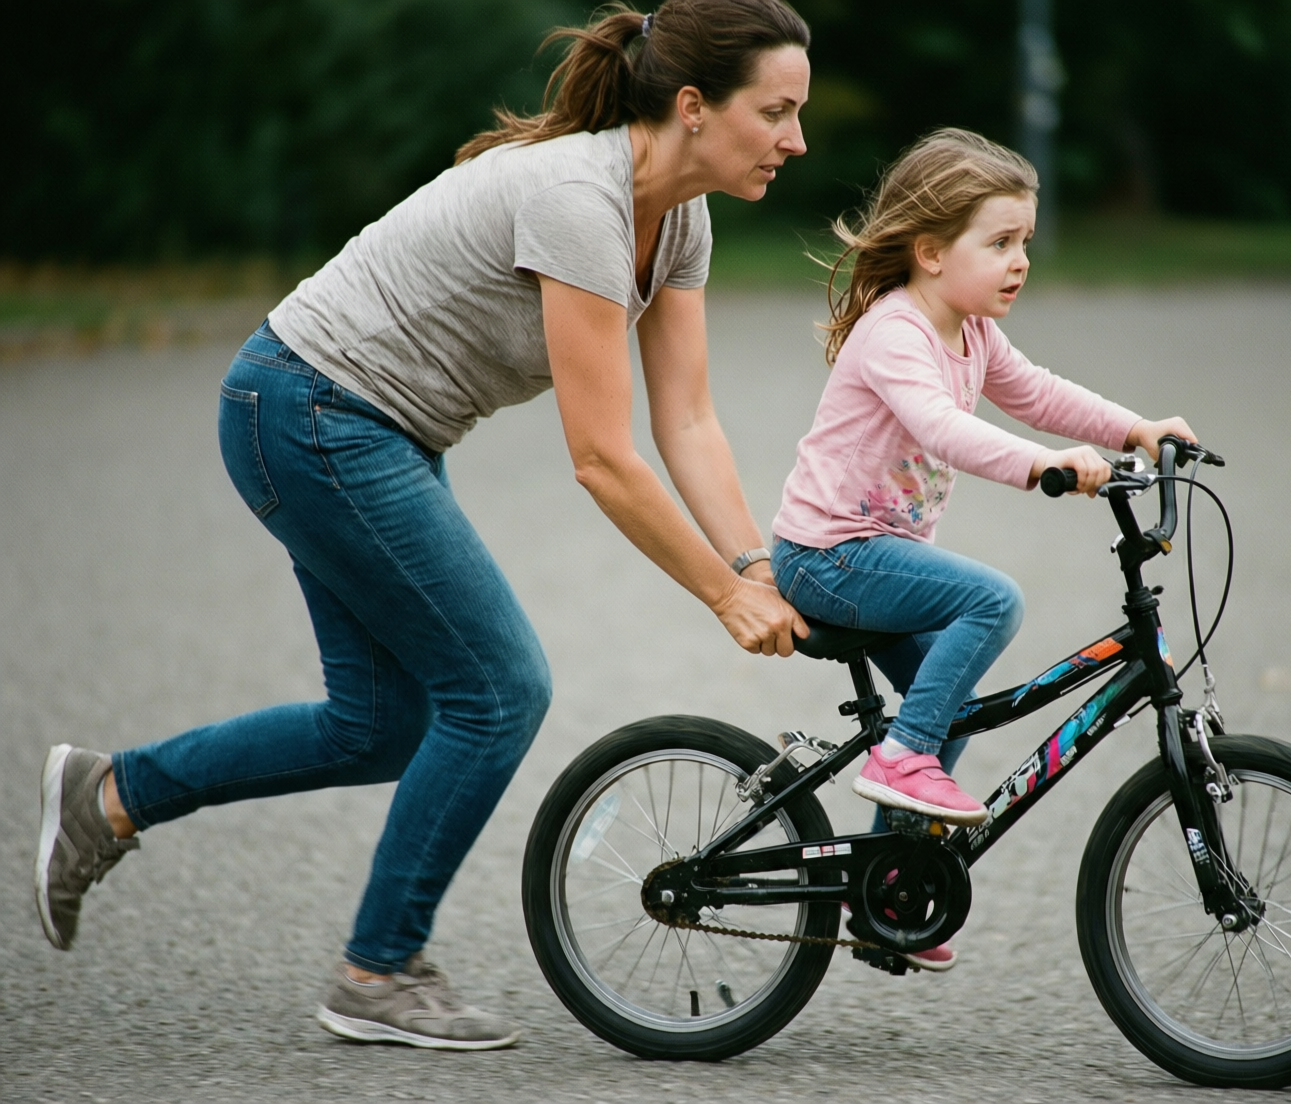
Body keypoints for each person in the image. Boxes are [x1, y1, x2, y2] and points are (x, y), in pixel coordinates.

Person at [34, 0, 812, 1051]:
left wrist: (755, 564)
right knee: (498, 690)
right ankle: (379, 968)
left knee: (379, 726)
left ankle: (111, 795)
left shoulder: (678, 220)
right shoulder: (577, 200)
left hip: (361, 427)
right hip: (309, 411)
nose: (795, 140)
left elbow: (687, 420)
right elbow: (602, 457)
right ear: (692, 106)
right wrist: (722, 595)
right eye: (775, 112)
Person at [769, 128, 1194, 970]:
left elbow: (1037, 393)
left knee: (950, 704)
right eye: (998, 242)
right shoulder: (897, 332)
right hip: (830, 556)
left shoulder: (971, 332)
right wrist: (1042, 466)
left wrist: (1137, 428)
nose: (1019, 261)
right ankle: (902, 761)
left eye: (1024, 242)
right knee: (992, 600)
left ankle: (887, 889)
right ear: (930, 252)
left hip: (873, 557)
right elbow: (942, 428)